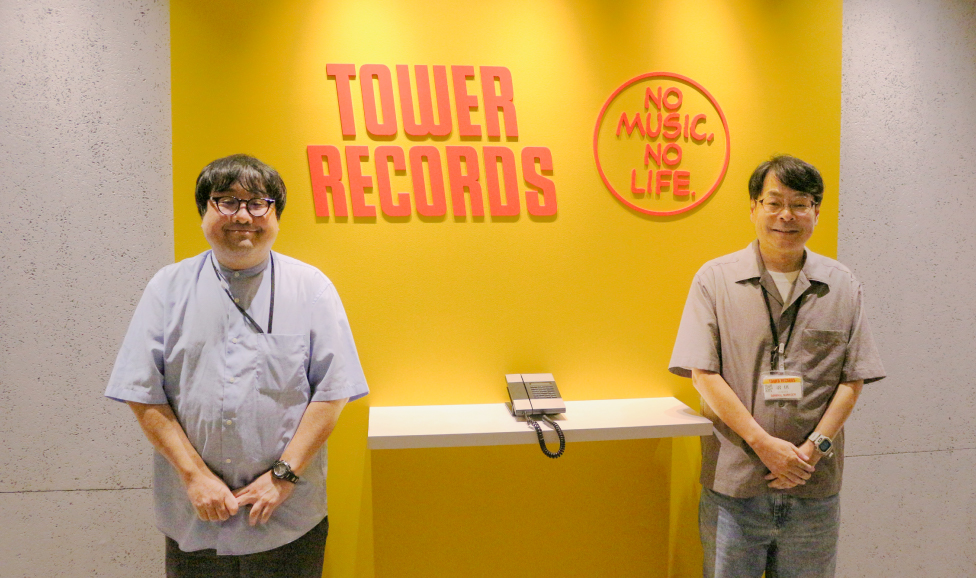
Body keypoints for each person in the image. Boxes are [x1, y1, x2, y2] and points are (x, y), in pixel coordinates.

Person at [106, 154, 369, 577]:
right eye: (226, 201)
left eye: (257, 203)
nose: (242, 216)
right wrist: (195, 477)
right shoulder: (167, 288)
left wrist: (283, 476)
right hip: (195, 515)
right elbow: (143, 394)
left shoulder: (312, 289)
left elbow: (332, 393)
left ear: (276, 215)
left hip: (286, 517)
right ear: (204, 211)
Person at [669, 155, 885, 578]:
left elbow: (852, 380)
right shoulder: (715, 280)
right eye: (774, 202)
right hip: (736, 488)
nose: (786, 215)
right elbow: (703, 374)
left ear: (816, 212)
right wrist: (764, 445)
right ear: (754, 208)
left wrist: (812, 449)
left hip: (813, 485)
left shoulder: (842, 285)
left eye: (800, 204)